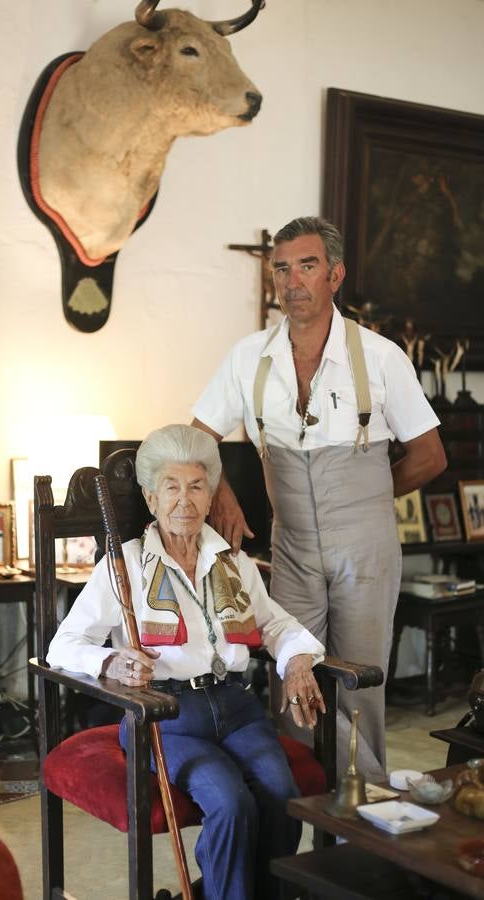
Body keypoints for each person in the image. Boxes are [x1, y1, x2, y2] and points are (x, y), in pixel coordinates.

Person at [191, 216, 447, 781]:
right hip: (293, 545)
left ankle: (360, 830)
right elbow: (195, 441)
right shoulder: (248, 357)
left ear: (335, 274)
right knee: (294, 677)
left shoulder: (381, 357)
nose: (292, 281)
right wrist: (222, 495)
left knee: (358, 679)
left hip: (366, 543)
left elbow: (430, 456)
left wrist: (372, 498)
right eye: (282, 268)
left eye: (306, 266)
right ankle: (298, 812)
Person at [47, 424, 326, 900]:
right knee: (230, 802)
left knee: (281, 792)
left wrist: (299, 660)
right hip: (165, 714)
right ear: (151, 499)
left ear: (210, 493)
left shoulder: (231, 561)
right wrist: (112, 662)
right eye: (171, 488)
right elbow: (63, 645)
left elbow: (276, 625)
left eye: (196, 486)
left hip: (236, 707)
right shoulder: (125, 564)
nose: (185, 500)